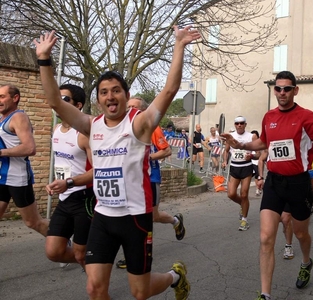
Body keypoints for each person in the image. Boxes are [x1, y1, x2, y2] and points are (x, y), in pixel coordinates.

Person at [35, 26, 200, 300]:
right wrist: (44, 60)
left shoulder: (140, 124)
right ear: (98, 99)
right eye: (103, 92)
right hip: (103, 217)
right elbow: (54, 100)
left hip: (135, 218)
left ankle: (175, 277)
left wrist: (179, 46)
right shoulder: (90, 125)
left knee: (140, 291)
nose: (110, 97)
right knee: (95, 288)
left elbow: (170, 90)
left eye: (116, 91)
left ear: (125, 94)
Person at [221, 71, 313, 300]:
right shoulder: (269, 116)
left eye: (287, 88)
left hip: (299, 183)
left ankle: (306, 262)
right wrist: (241, 145)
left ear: (295, 90)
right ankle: (265, 294)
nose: (282, 92)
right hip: (275, 182)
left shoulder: (306, 117)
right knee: (266, 237)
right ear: (274, 90)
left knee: (300, 232)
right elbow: (263, 141)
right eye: (278, 88)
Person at [115, 96, 186, 269]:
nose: (131, 110)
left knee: (151, 216)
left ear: (143, 111)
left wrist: (145, 158)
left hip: (150, 178)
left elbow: (167, 150)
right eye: (128, 107)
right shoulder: (123, 129)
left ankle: (175, 221)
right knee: (129, 217)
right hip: (130, 179)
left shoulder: (151, 128)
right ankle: (132, 254)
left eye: (135, 107)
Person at [45, 84, 95, 269]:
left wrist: (69, 182)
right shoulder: (56, 129)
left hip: (84, 199)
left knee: (81, 253)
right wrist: (56, 183)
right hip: (65, 198)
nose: (58, 102)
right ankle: (99, 258)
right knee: (54, 251)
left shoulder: (83, 135)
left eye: (64, 99)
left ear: (78, 105)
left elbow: (99, 171)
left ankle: (97, 286)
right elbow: (64, 165)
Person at [0, 84, 49, 236]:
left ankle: (61, 239)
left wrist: (1, 152)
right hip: (2, 178)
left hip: (18, 178)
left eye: (2, 97)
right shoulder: (3, 118)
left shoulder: (18, 117)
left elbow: (29, 148)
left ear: (15, 98)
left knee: (33, 222)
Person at [257, 150, 294, 260]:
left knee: (286, 218)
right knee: (269, 223)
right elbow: (261, 159)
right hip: (273, 183)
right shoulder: (271, 144)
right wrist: (260, 177)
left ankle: (288, 245)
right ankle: (268, 247)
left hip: (291, 183)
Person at [222, 116, 254, 231]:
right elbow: (226, 151)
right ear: (235, 125)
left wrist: (251, 155)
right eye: (237, 123)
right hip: (234, 167)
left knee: (244, 194)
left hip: (246, 168)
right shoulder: (231, 137)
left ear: (245, 124)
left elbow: (259, 154)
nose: (239, 125)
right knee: (231, 194)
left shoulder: (251, 136)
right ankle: (243, 204)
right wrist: (225, 160)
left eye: (241, 123)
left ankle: (244, 221)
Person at [250, 130, 262, 196]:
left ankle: (259, 188)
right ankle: (257, 189)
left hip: (259, 161)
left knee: (258, 176)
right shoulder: (249, 143)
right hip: (252, 161)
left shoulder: (260, 143)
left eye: (255, 135)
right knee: (256, 175)